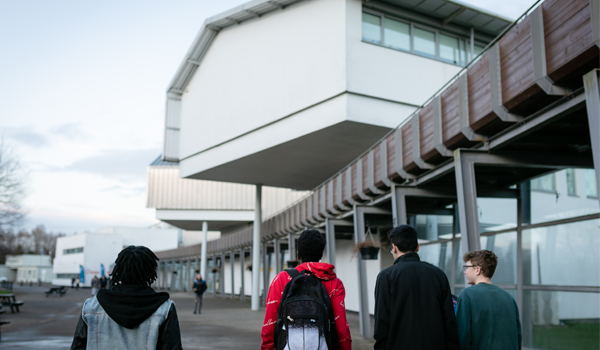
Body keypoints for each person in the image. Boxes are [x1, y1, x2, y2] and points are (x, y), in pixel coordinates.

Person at [70, 246, 183, 350]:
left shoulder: (91, 306)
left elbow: (77, 347)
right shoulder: (165, 309)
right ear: (150, 272)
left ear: (118, 269)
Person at [261, 229, 351, 350]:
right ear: (321, 255)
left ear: (298, 254)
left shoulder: (282, 279)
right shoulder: (334, 283)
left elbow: (269, 325)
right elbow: (341, 329)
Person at [374, 225, 459, 350]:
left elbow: (382, 319)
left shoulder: (386, 276)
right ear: (417, 247)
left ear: (394, 248)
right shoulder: (438, 274)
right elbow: (449, 318)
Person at [457, 250, 522, 350]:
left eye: (466, 267)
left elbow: (463, 336)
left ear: (477, 270)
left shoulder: (466, 295)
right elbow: (517, 336)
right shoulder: (509, 297)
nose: (464, 271)